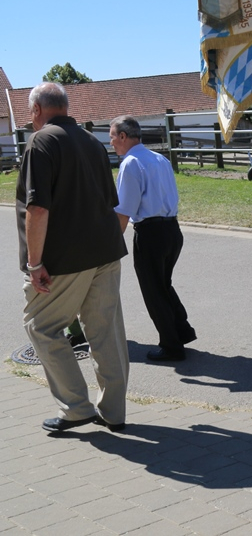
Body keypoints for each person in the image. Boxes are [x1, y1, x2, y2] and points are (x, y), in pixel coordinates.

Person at [16, 82, 129, 433]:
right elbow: (110, 200)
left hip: (65, 259)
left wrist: (35, 263)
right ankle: (114, 411)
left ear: (37, 110)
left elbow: (37, 208)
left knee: (40, 327)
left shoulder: (41, 142)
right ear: (65, 107)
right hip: (106, 250)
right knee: (106, 332)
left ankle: (76, 407)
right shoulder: (92, 142)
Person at [110, 115, 197, 362]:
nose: (111, 143)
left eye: (113, 137)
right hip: (172, 229)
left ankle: (171, 346)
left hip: (150, 233)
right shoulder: (160, 159)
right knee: (163, 284)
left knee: (153, 291)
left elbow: (124, 211)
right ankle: (181, 330)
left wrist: (112, 246)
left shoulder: (130, 163)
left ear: (123, 136)